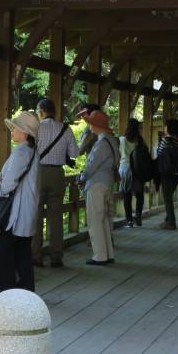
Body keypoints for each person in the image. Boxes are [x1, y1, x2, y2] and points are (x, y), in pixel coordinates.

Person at [0, 111, 41, 295]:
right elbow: (10, 173)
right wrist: (1, 176)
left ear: (25, 133)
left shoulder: (21, 151)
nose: (12, 130)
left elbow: (10, 182)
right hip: (27, 209)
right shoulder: (32, 151)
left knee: (4, 251)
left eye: (15, 128)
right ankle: (26, 289)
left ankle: (4, 291)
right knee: (23, 252)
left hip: (15, 212)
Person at [32, 98, 79, 268]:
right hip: (58, 174)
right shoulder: (65, 129)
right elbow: (75, 153)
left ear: (41, 111)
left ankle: (36, 257)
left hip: (38, 173)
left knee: (36, 216)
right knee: (56, 217)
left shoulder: (36, 128)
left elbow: (28, 152)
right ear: (54, 111)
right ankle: (56, 257)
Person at [79, 109, 118, 265]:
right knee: (104, 220)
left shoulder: (101, 143)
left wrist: (82, 177)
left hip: (96, 183)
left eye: (90, 124)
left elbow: (91, 166)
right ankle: (108, 253)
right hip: (107, 182)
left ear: (96, 125)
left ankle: (100, 256)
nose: (89, 126)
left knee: (95, 220)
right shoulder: (111, 140)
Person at [155, 118, 178, 230]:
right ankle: (168, 219)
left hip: (166, 172)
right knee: (169, 196)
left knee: (167, 198)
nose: (164, 128)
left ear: (169, 128)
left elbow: (159, 153)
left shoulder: (165, 140)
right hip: (176, 173)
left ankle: (171, 222)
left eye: (166, 126)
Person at [119, 118, 148, 227]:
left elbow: (117, 154)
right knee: (139, 194)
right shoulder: (140, 140)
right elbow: (146, 153)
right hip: (137, 169)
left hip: (125, 168)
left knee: (127, 195)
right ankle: (138, 218)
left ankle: (129, 221)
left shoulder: (121, 140)